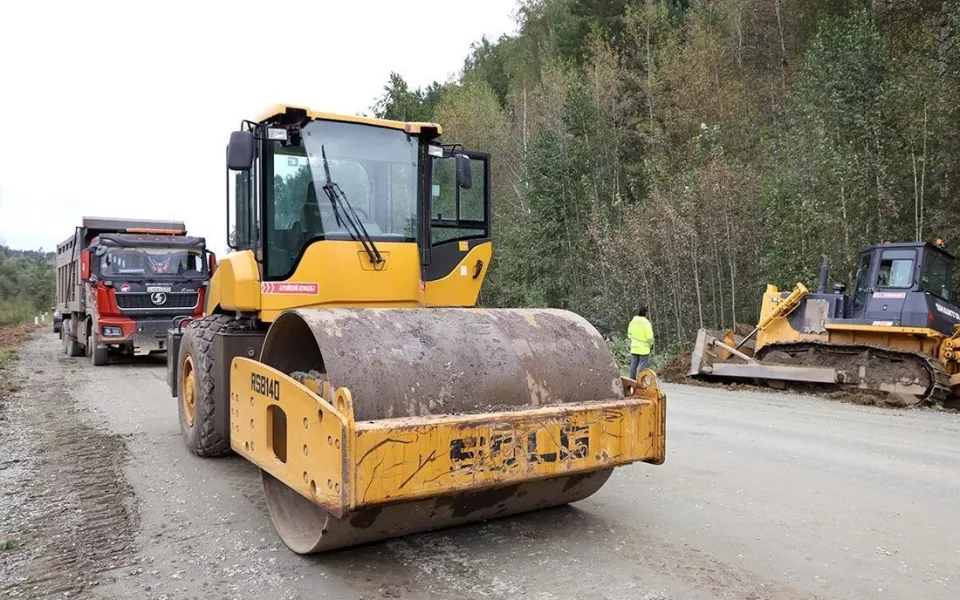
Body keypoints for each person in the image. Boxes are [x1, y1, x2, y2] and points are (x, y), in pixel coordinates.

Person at [628, 306, 654, 380]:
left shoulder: (632, 322)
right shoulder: (646, 323)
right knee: (641, 367)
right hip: (644, 349)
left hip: (634, 348)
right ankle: (640, 381)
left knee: (633, 366)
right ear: (646, 313)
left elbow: (629, 335)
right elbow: (650, 337)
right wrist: (650, 344)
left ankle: (632, 381)